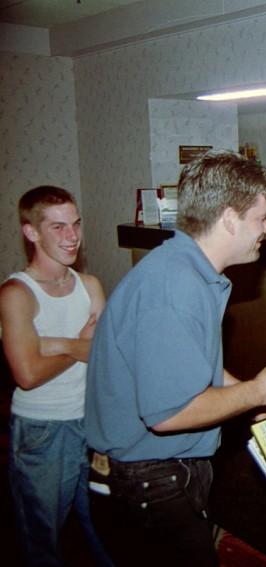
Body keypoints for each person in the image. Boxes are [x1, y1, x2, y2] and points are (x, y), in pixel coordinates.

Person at [84, 150, 266, 566]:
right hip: (147, 483)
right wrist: (256, 391)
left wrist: (258, 397)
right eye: (260, 217)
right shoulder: (174, 289)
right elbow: (168, 414)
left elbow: (194, 372)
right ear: (229, 218)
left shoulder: (188, 271)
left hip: (160, 475)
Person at [0, 186, 111, 566]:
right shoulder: (17, 293)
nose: (73, 236)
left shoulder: (89, 284)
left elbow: (106, 356)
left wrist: (55, 343)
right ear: (31, 232)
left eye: (76, 224)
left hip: (91, 424)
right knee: (42, 540)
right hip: (42, 432)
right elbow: (28, 374)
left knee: (107, 529)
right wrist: (79, 344)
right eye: (58, 227)